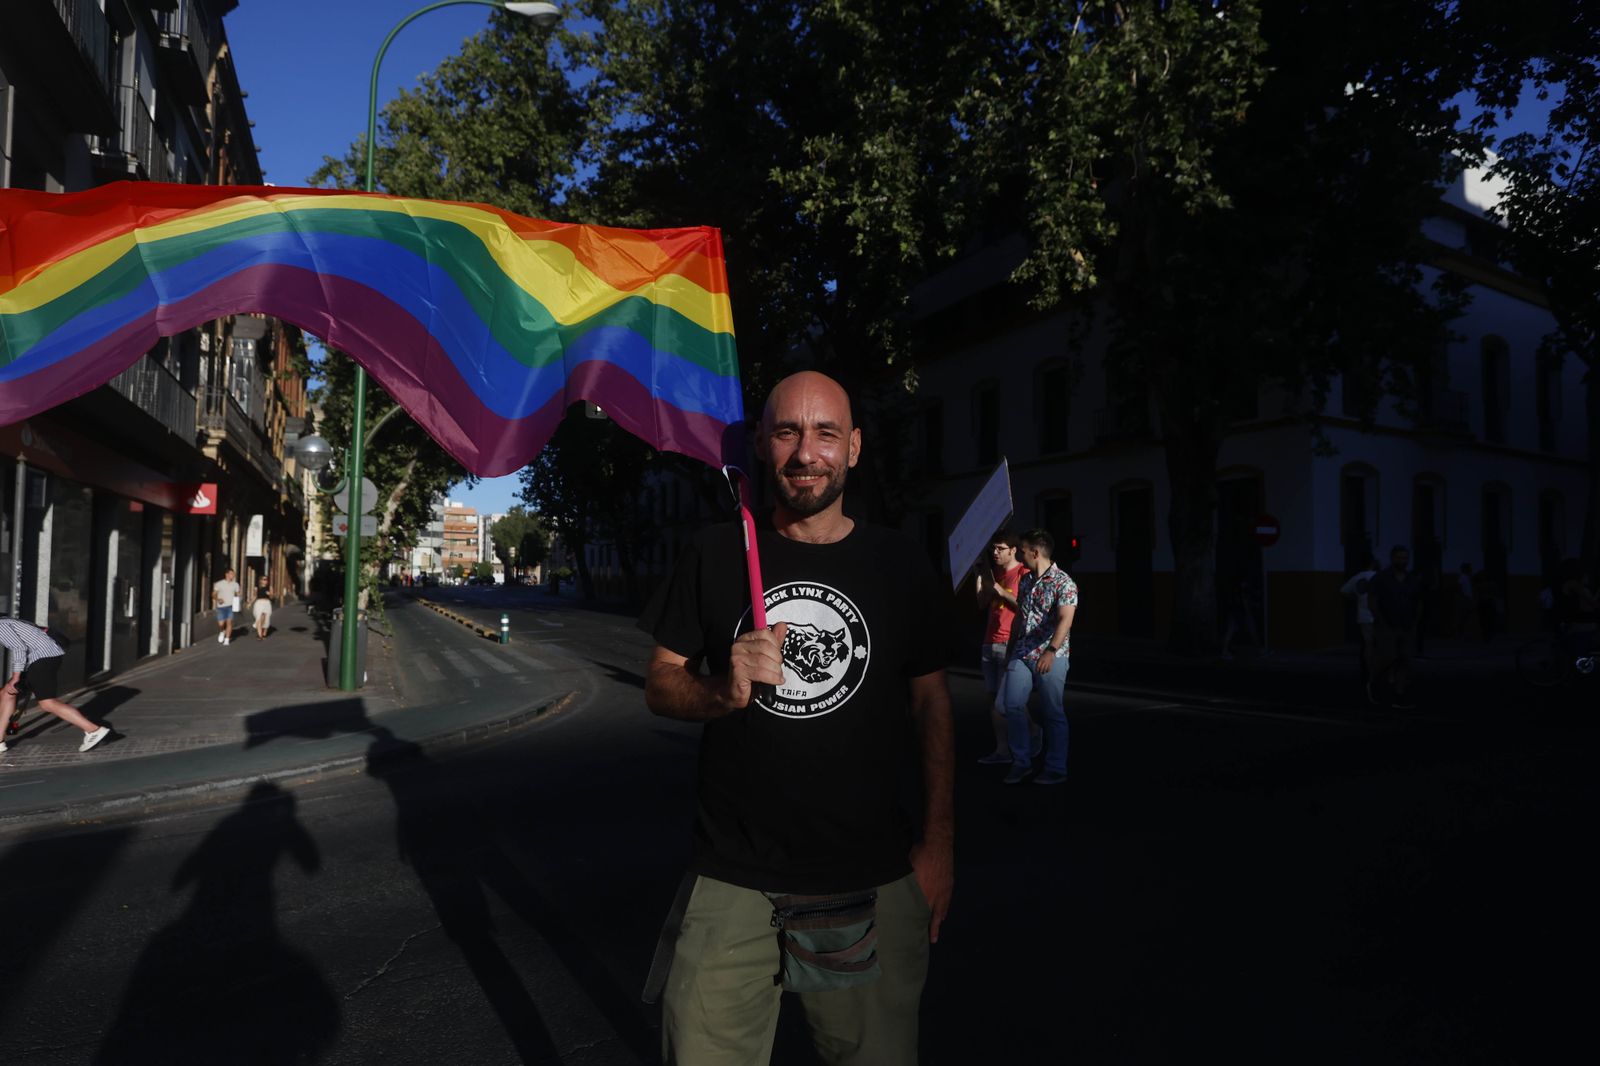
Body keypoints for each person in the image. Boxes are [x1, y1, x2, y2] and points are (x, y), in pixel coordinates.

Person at [639, 370, 954, 1066]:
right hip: (733, 878)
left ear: (855, 447)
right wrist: (720, 690)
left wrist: (938, 845)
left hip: (871, 877)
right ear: (760, 442)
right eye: (786, 432)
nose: (805, 452)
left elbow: (931, 703)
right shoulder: (716, 551)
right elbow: (660, 683)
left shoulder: (900, 563)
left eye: (825, 433)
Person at [998, 529, 1077, 786]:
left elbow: (1065, 620)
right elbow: (1020, 617)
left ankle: (1056, 767)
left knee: (1052, 712)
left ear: (1035, 552)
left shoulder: (1063, 582)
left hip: (1051, 654)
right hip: (1022, 652)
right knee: (1011, 705)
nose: (1020, 556)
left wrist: (1051, 651)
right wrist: (1011, 650)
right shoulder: (1026, 580)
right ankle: (1021, 762)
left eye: (1022, 551)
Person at [974, 531, 1039, 764]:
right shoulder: (995, 574)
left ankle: (1029, 734)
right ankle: (1003, 750)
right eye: (993, 548)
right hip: (989, 641)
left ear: (1013, 550)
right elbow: (982, 603)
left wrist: (1001, 591)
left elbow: (1027, 607)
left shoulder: (1023, 573)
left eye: (1000, 549)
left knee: (1006, 702)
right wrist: (979, 574)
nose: (995, 552)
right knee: (993, 700)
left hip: (1008, 642)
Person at [0, 618, 112, 755]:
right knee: (7, 693)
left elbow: (19, 647)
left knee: (47, 703)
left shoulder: (1, 626)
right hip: (43, 657)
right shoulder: (5, 622)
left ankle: (94, 730)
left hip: (42, 659)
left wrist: (16, 677)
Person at [1368, 545, 1424, 709]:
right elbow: (1372, 600)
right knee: (1388, 657)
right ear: (1392, 558)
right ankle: (1374, 683)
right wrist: (1381, 621)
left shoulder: (1413, 580)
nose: (1402, 561)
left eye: (1405, 558)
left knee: (1405, 659)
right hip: (1387, 625)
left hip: (1407, 625)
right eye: (1399, 558)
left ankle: (1399, 694)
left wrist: (1415, 622)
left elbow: (1419, 601)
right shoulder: (1381, 578)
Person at [1340, 554, 1379, 692]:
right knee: (1378, 645)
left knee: (1367, 645)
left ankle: (1368, 672)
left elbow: (1343, 591)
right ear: (1373, 563)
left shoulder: (1357, 578)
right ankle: (1376, 671)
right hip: (1378, 615)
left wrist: (1356, 599)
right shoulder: (1378, 577)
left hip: (1363, 615)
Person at [213, 568, 241, 645]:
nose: (233, 575)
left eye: (233, 574)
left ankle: (227, 639)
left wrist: (238, 595)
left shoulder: (236, 584)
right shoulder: (219, 584)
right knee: (221, 624)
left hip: (230, 606)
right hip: (221, 607)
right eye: (232, 574)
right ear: (227, 574)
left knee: (229, 623)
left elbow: (237, 594)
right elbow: (213, 594)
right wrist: (218, 599)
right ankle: (222, 631)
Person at [251, 575, 273, 640]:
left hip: (267, 603)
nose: (265, 581)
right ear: (260, 580)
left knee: (266, 619)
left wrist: (270, 594)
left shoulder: (270, 587)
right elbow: (255, 596)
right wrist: (250, 603)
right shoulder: (257, 587)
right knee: (259, 618)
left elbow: (272, 597)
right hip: (259, 603)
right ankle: (260, 635)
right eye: (264, 579)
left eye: (266, 579)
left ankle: (264, 633)